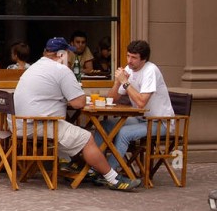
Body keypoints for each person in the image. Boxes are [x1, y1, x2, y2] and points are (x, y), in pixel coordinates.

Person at [13, 37, 139, 190]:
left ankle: (75, 165)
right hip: (39, 125)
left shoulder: (34, 66)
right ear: (61, 54)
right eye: (67, 53)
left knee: (71, 129)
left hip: (20, 124)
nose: (70, 57)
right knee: (87, 138)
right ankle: (112, 179)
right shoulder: (61, 70)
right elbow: (78, 103)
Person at [105, 40, 174, 174]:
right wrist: (117, 83)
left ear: (144, 59)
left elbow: (142, 103)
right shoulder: (128, 69)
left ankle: (109, 173)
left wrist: (125, 82)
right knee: (105, 125)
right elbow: (111, 100)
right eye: (128, 56)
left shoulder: (150, 70)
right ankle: (92, 168)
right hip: (141, 119)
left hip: (160, 122)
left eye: (134, 58)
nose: (129, 61)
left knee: (124, 133)